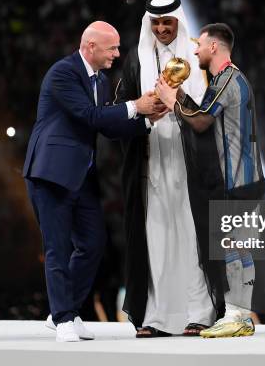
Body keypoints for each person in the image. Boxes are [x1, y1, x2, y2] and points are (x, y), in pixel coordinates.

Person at [23, 21, 163, 342]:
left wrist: (147, 121)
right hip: (51, 174)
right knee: (57, 248)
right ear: (90, 47)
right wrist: (134, 106)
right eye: (111, 48)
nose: (117, 53)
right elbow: (90, 116)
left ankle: (66, 309)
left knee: (93, 244)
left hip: (81, 176)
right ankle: (63, 319)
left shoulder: (99, 78)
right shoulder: (63, 73)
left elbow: (107, 126)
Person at [114, 0, 224, 337]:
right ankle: (157, 317)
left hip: (191, 159)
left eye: (167, 22)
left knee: (192, 234)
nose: (161, 28)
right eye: (156, 23)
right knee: (155, 236)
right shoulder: (136, 59)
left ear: (178, 21)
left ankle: (199, 313)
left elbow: (214, 110)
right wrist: (142, 106)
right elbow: (121, 108)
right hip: (150, 160)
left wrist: (174, 101)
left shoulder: (199, 56)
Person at [156, 23, 265, 338]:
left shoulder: (229, 79)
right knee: (236, 247)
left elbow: (202, 122)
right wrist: (178, 95)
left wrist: (171, 102)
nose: (195, 50)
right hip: (240, 180)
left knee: (237, 247)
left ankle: (238, 316)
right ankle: (237, 315)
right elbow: (203, 114)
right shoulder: (226, 80)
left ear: (214, 47)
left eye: (200, 45)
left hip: (239, 181)